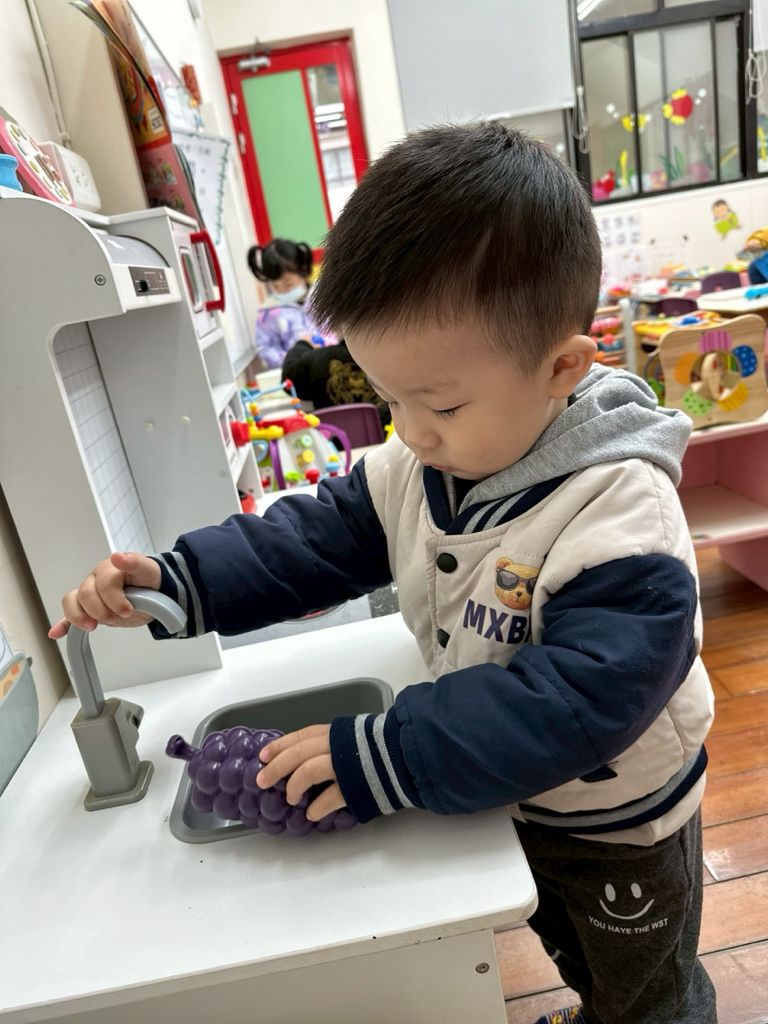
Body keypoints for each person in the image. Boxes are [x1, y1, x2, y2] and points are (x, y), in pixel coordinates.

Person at [50, 124, 716, 1024]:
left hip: (618, 823)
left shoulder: (620, 512)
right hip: (510, 792)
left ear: (562, 367)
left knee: (648, 995)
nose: (410, 431)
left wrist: (388, 753)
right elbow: (309, 542)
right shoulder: (423, 463)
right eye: (389, 397)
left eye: (440, 403)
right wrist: (178, 583)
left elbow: (578, 702)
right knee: (571, 950)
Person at [247, 238, 329, 368]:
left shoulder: (324, 296)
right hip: (299, 372)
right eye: (276, 287)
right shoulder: (269, 313)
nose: (283, 291)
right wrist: (292, 358)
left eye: (288, 284)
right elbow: (265, 348)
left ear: (303, 272)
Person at [281, 337, 390, 426]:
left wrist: (302, 345)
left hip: (332, 439)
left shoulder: (318, 357)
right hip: (384, 437)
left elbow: (288, 380)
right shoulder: (383, 353)